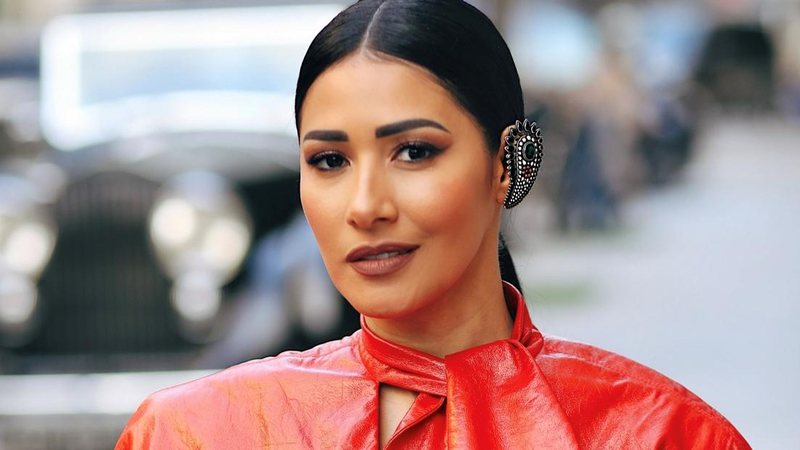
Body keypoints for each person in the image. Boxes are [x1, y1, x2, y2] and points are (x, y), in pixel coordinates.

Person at [115, 1, 750, 448]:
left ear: (509, 163)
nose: (365, 205)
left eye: (415, 151)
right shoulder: (195, 433)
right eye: (329, 160)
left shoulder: (659, 433)